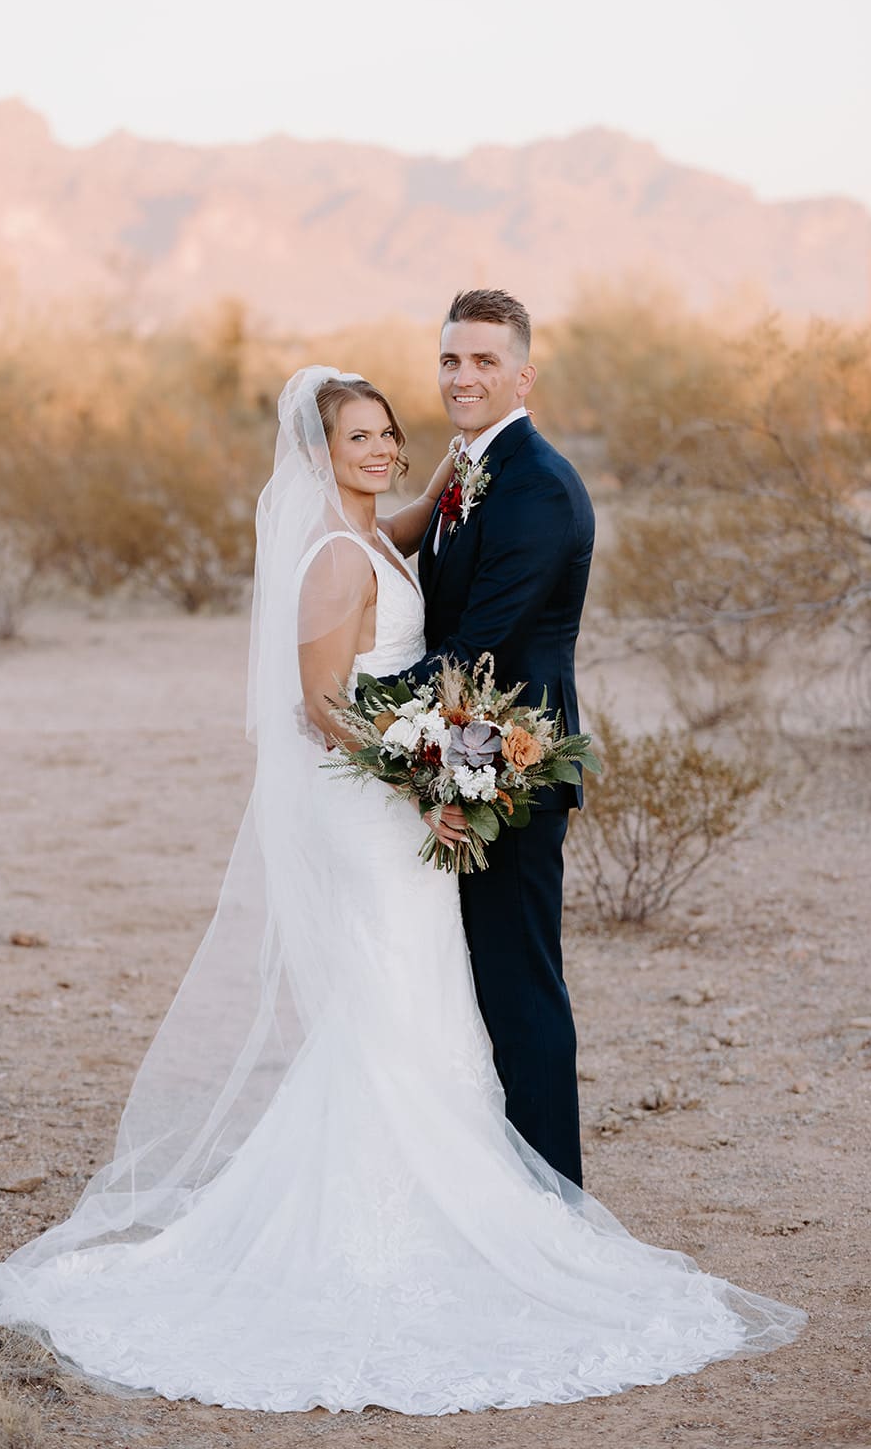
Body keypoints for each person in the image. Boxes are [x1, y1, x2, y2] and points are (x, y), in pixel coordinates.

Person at [0, 361, 805, 1414]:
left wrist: (454, 471)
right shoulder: (329, 556)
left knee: (419, 995)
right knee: (395, 998)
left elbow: (410, 524)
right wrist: (422, 784)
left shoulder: (376, 531)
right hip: (366, 802)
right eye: (354, 437)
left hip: (392, 791)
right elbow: (319, 700)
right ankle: (385, 1220)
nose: (375, 448)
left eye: (384, 432)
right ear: (317, 454)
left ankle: (449, 1196)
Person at [383, 288, 593, 1187]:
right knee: (467, 986)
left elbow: (477, 650)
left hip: (512, 773)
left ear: (522, 374)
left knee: (518, 987)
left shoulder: (538, 488)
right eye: (448, 360)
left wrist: (350, 704)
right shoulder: (472, 471)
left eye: (482, 361)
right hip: (459, 761)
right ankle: (492, 1191)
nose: (461, 376)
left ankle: (554, 1205)